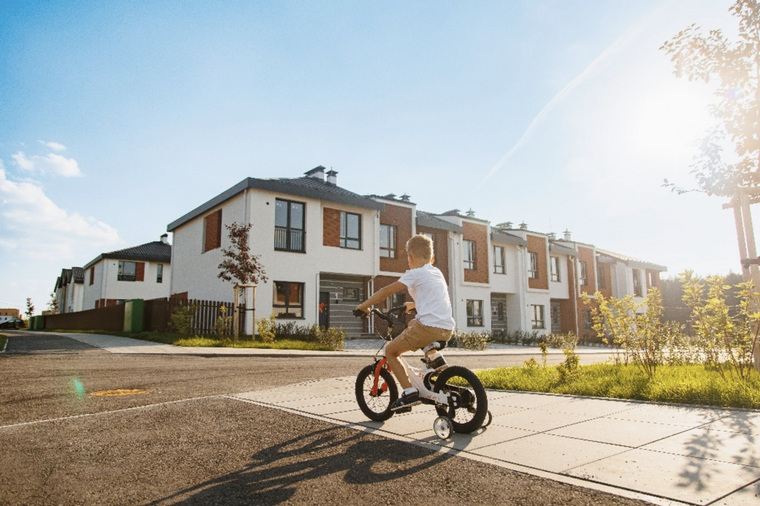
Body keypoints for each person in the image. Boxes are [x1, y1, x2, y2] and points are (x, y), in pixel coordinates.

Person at [355, 234, 455, 411]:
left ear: (409, 257)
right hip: (447, 328)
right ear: (432, 257)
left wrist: (364, 306)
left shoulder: (414, 274)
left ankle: (409, 392)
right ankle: (434, 357)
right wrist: (414, 304)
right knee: (412, 325)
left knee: (391, 351)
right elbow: (434, 297)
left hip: (427, 328)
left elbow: (386, 291)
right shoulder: (436, 272)